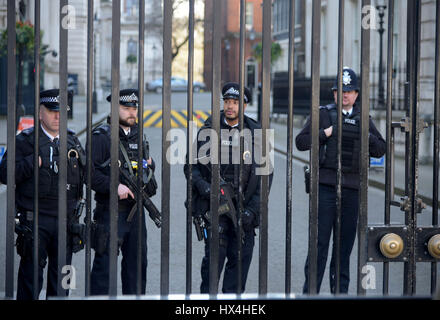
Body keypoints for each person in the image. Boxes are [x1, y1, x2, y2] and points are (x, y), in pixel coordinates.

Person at [295, 67, 386, 294]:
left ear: (356, 94)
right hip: (324, 188)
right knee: (320, 246)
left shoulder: (363, 118)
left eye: (349, 91)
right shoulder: (322, 114)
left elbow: (381, 149)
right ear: (334, 93)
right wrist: (325, 133)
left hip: (351, 189)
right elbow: (301, 142)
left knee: (343, 249)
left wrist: (366, 135)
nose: (345, 95)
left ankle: (340, 294)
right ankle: (311, 293)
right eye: (340, 91)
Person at [184, 82, 273, 294]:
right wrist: (205, 187)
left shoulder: (256, 132)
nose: (230, 106)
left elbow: (266, 176)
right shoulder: (209, 130)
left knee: (239, 268)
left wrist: (252, 210)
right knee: (212, 269)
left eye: (235, 102)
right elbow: (191, 167)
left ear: (244, 105)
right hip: (215, 209)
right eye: (227, 102)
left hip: (245, 211)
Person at [0, 89, 86, 300]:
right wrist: (32, 163)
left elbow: (85, 177)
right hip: (35, 221)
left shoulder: (73, 142)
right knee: (30, 281)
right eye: (52, 111)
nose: (58, 116)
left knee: (62, 283)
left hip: (67, 222)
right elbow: (4, 174)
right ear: (40, 113)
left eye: (62, 112)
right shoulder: (25, 141)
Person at [90, 88, 158, 295]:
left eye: (134, 108)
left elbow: (143, 171)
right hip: (110, 212)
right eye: (126, 108)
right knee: (104, 272)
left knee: (136, 270)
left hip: (136, 213)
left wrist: (150, 169)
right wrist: (114, 186)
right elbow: (88, 174)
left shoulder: (139, 136)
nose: (131, 113)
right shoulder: (101, 137)